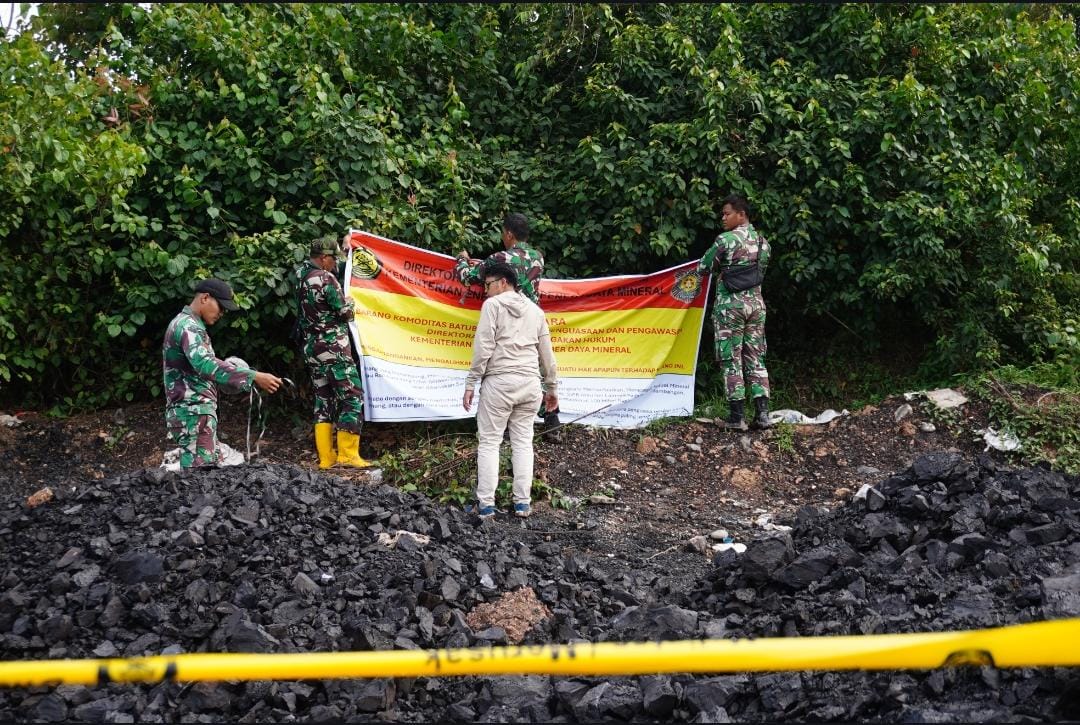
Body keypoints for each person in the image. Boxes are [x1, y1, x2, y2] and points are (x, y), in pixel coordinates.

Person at [462, 262, 558, 519]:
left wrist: (471, 383)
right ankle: (522, 504)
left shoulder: (492, 307)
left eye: (488, 284)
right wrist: (551, 388)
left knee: (490, 442)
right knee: (523, 443)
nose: (485, 290)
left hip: (500, 383)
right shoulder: (536, 312)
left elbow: (483, 347)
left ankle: (486, 505)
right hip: (529, 385)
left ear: (503, 283)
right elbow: (546, 354)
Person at [162, 278, 282, 468]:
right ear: (205, 298)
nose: (223, 313)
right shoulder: (188, 327)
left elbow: (198, 369)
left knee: (205, 472)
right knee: (200, 478)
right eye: (221, 306)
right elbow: (205, 364)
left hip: (194, 414)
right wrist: (253, 376)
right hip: (193, 414)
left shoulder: (187, 324)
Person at [697, 194, 772, 431]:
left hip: (730, 309)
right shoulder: (763, 243)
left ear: (742, 215)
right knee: (755, 358)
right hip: (756, 307)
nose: (723, 218)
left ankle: (736, 417)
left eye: (727, 213)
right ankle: (762, 415)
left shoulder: (725, 240)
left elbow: (704, 267)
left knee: (731, 359)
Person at [296, 235, 371, 469]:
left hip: (312, 349)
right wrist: (350, 302)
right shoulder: (326, 279)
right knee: (352, 396)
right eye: (332, 259)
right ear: (324, 258)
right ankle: (348, 455)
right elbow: (344, 312)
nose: (335, 264)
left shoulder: (301, 277)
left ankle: (326, 458)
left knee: (324, 398)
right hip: (333, 348)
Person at [455, 213, 544, 304]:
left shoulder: (500, 258)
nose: (502, 237)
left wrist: (462, 258)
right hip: (532, 314)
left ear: (509, 235)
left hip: (507, 314)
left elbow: (465, 278)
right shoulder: (538, 257)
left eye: (503, 233)